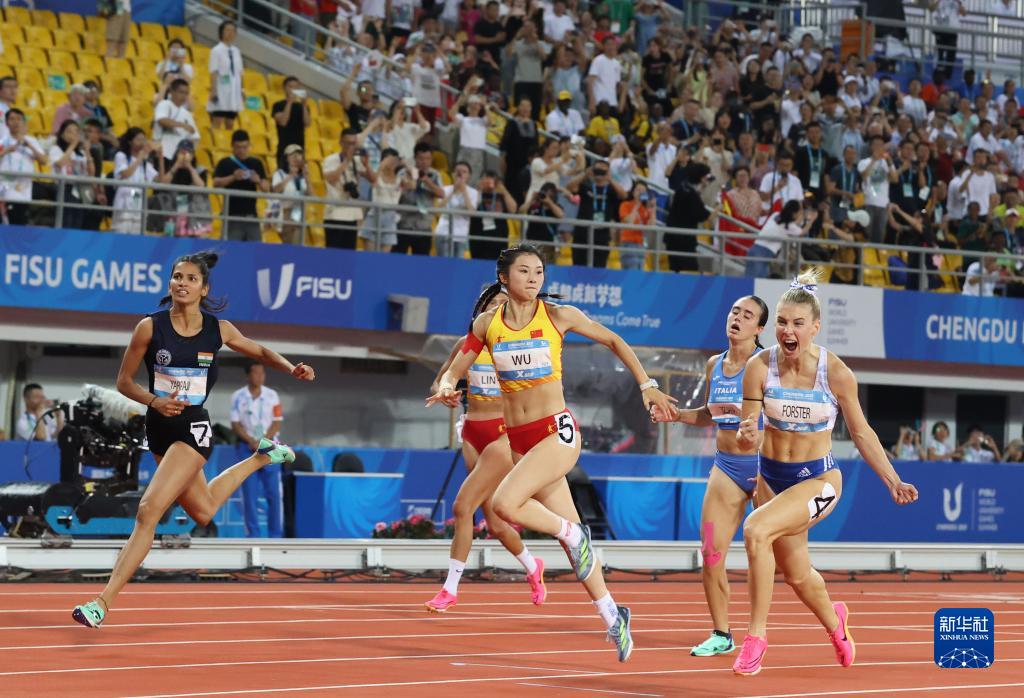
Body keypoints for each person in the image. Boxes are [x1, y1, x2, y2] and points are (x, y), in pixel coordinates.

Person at [428, 244, 678, 662]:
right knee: (574, 549)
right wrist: (448, 386)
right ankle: (613, 614)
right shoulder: (488, 324)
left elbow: (613, 340)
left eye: (539, 272)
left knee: (505, 505)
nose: (533, 278)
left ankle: (572, 533)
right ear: (504, 278)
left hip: (556, 433)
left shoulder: (558, 315)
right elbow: (456, 366)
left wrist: (647, 385)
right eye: (524, 271)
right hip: (520, 441)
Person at [72, 252, 315, 628]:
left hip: (192, 429)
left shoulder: (218, 329)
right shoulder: (149, 328)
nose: (182, 283)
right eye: (177, 277)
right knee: (203, 511)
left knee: (148, 511)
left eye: (190, 278)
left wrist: (290, 367)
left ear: (204, 288)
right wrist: (154, 401)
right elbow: (123, 382)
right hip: (158, 426)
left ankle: (102, 603)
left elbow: (260, 351)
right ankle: (263, 456)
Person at [731, 268, 918, 675]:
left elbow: (862, 432)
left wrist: (893, 480)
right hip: (770, 480)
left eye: (798, 323)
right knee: (797, 575)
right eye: (782, 322)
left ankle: (755, 638)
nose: (788, 331)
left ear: (815, 328)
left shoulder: (835, 373)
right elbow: (750, 437)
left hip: (818, 480)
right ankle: (837, 624)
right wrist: (747, 436)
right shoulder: (759, 367)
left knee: (755, 531)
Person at [651, 295, 769, 657]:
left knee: (784, 561)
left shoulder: (767, 364)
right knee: (711, 551)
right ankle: (721, 633)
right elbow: (709, 415)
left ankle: (817, 620)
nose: (738, 318)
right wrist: (676, 415)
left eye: (747, 315)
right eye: (735, 311)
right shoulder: (714, 364)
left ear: (759, 328)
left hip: (765, 468)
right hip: (726, 468)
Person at [424, 289, 547, 612]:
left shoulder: (517, 346)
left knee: (463, 507)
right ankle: (533, 566)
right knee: (495, 523)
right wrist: (446, 391)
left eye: (502, 305)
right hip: (472, 432)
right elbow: (440, 382)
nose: (496, 309)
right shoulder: (466, 344)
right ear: (481, 309)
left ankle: (450, 589)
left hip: (503, 435)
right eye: (491, 304)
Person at [231, 362, 285, 539]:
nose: (260, 376)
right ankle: (253, 535)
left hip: (270, 447)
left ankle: (275, 535)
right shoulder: (238, 396)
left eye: (262, 373)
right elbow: (235, 424)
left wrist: (264, 441)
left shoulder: (272, 395)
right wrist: (251, 441)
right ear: (248, 375)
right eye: (256, 373)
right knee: (249, 494)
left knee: (274, 494)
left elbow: (277, 422)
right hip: (247, 448)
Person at [212, 130, 269, 243]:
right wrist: (233, 177)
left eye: (245, 147)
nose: (242, 150)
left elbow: (266, 188)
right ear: (232, 146)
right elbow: (215, 183)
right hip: (231, 216)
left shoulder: (256, 163)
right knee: (230, 248)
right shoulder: (225, 163)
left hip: (251, 215)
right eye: (238, 147)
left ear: (249, 146)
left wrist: (257, 180)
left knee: (255, 249)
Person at [567, 161, 625, 268]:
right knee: (578, 267)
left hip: (602, 234)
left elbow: (623, 195)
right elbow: (570, 187)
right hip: (582, 232)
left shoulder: (611, 189)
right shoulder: (586, 186)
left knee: (599, 267)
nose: (600, 172)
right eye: (597, 169)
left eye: (603, 170)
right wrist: (585, 174)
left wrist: (610, 179)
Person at [323, 128, 371, 249]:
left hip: (352, 215)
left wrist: (367, 165)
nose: (351, 147)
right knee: (333, 255)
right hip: (335, 215)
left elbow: (373, 179)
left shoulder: (357, 161)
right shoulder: (331, 159)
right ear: (341, 142)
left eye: (353, 143)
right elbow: (331, 178)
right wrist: (346, 161)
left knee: (349, 256)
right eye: (348, 143)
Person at [0, 109, 47, 226]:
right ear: (7, 123)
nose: (15, 122)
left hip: (24, 190)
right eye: (12, 119)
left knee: (20, 224)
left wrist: (30, 146)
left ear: (23, 122)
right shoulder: (2, 141)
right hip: (5, 189)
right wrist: (6, 151)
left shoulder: (31, 141)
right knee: (7, 224)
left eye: (19, 119)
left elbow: (43, 161)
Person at [111, 128, 160, 235]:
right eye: (138, 139)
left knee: (136, 238)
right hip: (123, 204)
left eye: (144, 140)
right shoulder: (121, 156)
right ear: (130, 141)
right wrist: (140, 157)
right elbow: (125, 174)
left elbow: (161, 180)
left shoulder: (145, 163)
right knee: (120, 237)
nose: (142, 143)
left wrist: (160, 157)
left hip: (138, 205)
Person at [469, 170, 517, 262]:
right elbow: (472, 209)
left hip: (499, 239)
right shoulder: (475, 194)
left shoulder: (501, 196)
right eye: (486, 180)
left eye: (492, 181)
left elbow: (513, 209)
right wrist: (479, 190)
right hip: (478, 238)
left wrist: (503, 190)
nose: (489, 184)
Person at [436, 161, 479, 259]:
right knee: (442, 264)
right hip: (443, 232)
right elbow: (438, 210)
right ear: (452, 173)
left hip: (461, 235)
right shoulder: (444, 189)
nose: (460, 174)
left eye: (464, 172)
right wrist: (453, 191)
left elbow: (472, 212)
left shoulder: (473, 192)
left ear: (469, 175)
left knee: (457, 264)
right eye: (458, 171)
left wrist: (464, 191)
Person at [153, 79, 199, 168]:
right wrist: (183, 125)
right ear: (172, 92)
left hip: (179, 158)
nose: (184, 96)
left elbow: (194, 136)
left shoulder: (187, 113)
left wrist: (189, 155)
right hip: (163, 154)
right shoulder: (164, 104)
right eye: (181, 92)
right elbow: (162, 120)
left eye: (186, 93)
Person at [271, 144, 310, 246]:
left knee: (298, 247)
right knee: (289, 245)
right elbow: (276, 190)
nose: (296, 158)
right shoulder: (279, 174)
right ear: (286, 158)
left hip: (299, 214)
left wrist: (307, 178)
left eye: (299, 155)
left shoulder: (302, 177)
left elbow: (312, 196)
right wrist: (291, 176)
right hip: (285, 213)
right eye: (293, 155)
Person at [208, 21, 244, 130]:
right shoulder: (216, 50)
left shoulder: (236, 51)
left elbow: (240, 72)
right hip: (221, 88)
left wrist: (242, 89)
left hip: (234, 90)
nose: (230, 33)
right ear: (221, 32)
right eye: (227, 30)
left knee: (230, 122)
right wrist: (214, 90)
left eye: (233, 31)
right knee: (218, 121)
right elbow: (214, 71)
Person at [271, 77, 312, 170]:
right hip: (284, 147)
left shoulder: (302, 107)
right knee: (284, 174)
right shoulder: (278, 105)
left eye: (296, 87)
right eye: (290, 87)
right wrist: (289, 102)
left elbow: (307, 123)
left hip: (299, 147)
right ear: (284, 88)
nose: (293, 90)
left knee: (299, 175)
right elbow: (283, 122)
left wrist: (304, 105)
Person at [617, 182, 655, 270]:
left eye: (643, 191)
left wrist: (653, 208)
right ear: (633, 192)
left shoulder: (645, 209)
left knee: (639, 274)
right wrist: (637, 204)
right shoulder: (625, 205)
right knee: (631, 273)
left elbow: (651, 225)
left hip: (641, 245)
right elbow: (629, 221)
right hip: (629, 243)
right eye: (638, 190)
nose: (641, 192)